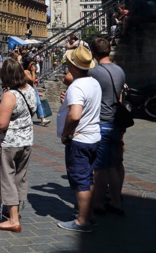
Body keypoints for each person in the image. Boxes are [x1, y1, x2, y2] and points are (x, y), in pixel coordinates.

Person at [0, 59, 36, 233]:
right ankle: (15, 211)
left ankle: (13, 219)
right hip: (26, 141)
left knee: (8, 179)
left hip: (11, 142)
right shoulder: (30, 90)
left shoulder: (9, 95)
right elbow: (32, 111)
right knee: (20, 177)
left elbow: (1, 124)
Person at [56, 44, 101, 233]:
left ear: (73, 66)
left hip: (80, 138)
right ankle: (89, 215)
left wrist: (66, 134)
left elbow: (75, 115)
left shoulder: (77, 86)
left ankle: (82, 221)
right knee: (87, 178)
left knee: (80, 180)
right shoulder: (93, 82)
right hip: (94, 136)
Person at [88, 38, 126, 216]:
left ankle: (98, 203)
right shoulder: (119, 70)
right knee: (114, 164)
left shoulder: (94, 72)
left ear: (94, 53)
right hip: (116, 123)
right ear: (109, 50)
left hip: (101, 122)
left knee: (101, 167)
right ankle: (116, 200)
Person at [23, 58, 50, 126]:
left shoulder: (30, 71)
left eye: (33, 64)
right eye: (31, 64)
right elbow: (32, 80)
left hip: (33, 89)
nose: (33, 66)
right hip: (28, 90)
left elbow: (34, 82)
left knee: (38, 103)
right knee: (31, 105)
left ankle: (42, 119)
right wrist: (33, 71)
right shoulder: (25, 72)